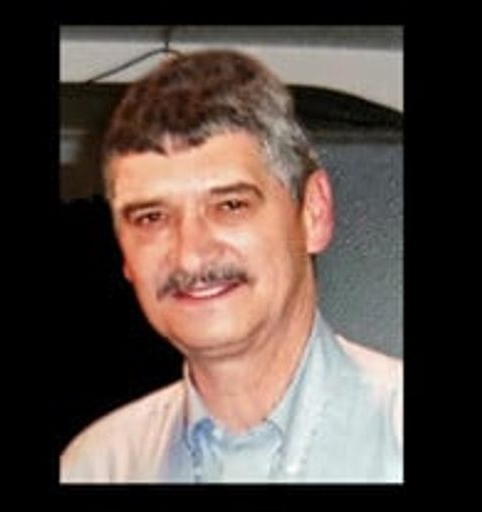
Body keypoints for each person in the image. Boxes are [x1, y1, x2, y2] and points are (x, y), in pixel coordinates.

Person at [60, 49, 403, 483]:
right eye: (151, 218)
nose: (190, 255)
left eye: (230, 205)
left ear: (313, 213)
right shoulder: (98, 467)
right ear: (124, 253)